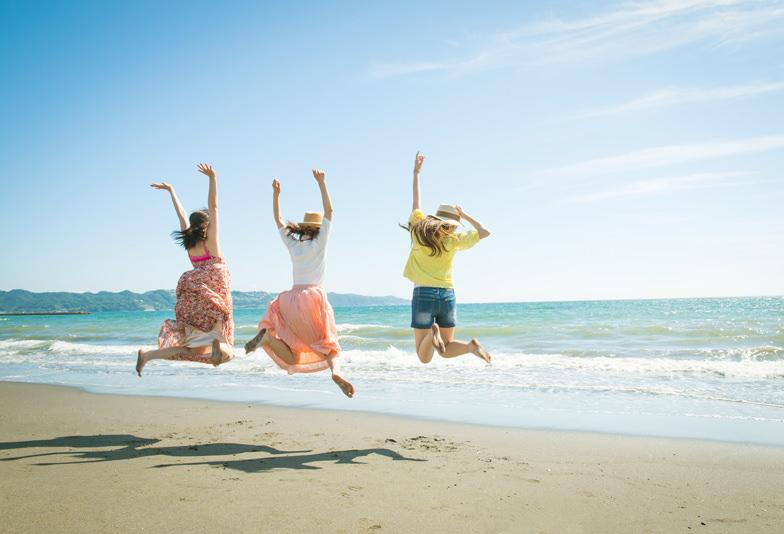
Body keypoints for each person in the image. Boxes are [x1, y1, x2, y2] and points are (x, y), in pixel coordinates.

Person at [244, 170, 355, 398]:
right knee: (329, 344)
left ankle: (266, 338)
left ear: (303, 228)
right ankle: (336, 372)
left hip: (289, 300)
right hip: (313, 298)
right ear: (316, 229)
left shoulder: (294, 245)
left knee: (294, 355)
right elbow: (330, 211)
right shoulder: (320, 242)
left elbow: (278, 220)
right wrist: (322, 182)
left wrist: (276, 195)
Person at [136, 163, 233, 376]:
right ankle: (218, 342)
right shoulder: (212, 242)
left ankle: (148, 355)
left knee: (193, 350)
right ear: (207, 226)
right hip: (214, 286)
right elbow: (214, 206)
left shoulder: (190, 243)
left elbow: (181, 214)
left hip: (194, 291)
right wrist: (213, 179)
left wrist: (171, 191)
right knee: (226, 347)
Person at [402, 151, 492, 365]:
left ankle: (433, 333)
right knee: (445, 348)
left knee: (424, 357)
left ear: (435, 218)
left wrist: (416, 173)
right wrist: (465, 214)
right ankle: (471, 347)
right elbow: (485, 231)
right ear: (453, 224)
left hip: (423, 292)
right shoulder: (454, 240)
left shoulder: (418, 231)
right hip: (447, 296)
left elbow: (416, 203)